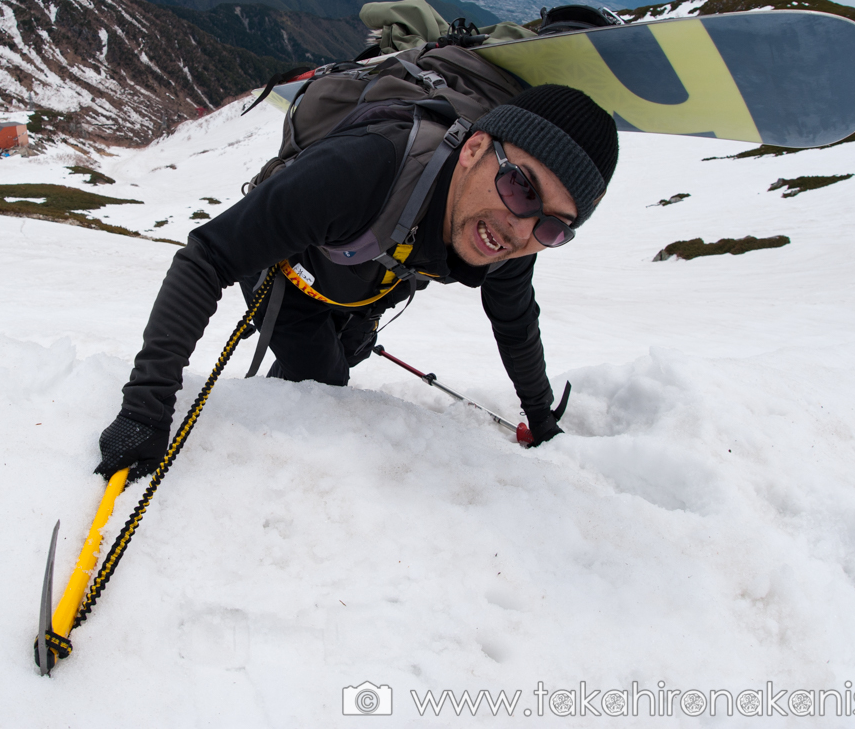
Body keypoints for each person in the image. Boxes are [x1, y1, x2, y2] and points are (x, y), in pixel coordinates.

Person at [94, 84, 620, 481]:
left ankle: (334, 344)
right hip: (288, 277)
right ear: (475, 148)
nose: (520, 228)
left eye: (553, 226)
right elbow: (208, 256)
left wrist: (539, 415)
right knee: (325, 381)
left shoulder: (511, 235)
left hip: (368, 284)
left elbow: (515, 321)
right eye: (521, 186)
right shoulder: (363, 168)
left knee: (349, 348)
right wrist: (146, 409)